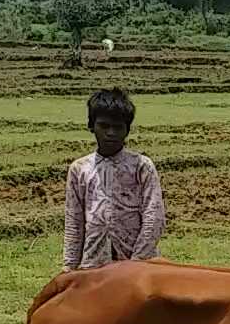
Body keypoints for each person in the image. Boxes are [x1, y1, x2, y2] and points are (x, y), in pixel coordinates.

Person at [63, 88, 166, 271]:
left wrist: (137, 262)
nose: (111, 133)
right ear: (91, 125)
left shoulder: (141, 166)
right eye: (104, 126)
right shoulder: (79, 169)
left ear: (127, 130)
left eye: (118, 127)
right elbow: (74, 223)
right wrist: (69, 267)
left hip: (138, 264)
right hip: (93, 264)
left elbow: (154, 217)